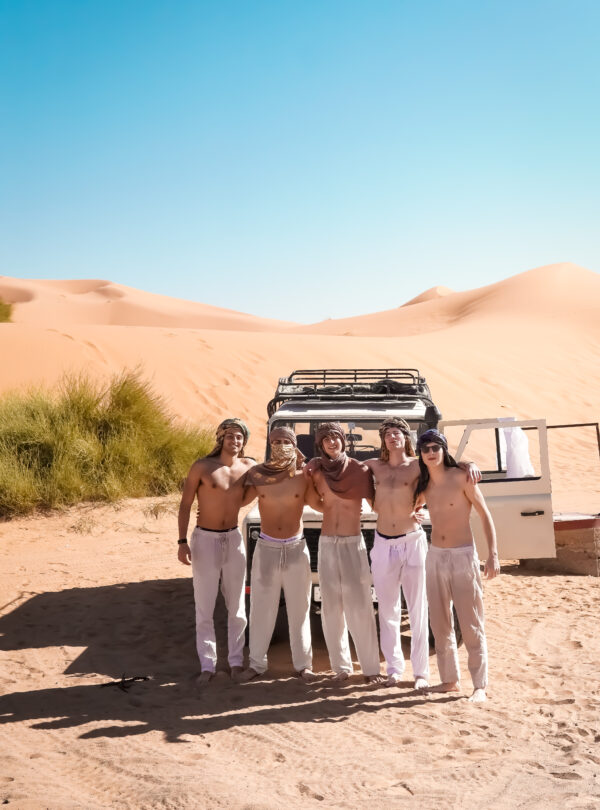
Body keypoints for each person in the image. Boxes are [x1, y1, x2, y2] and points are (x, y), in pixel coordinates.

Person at [365, 419, 480, 690]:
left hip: (412, 540)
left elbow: (446, 465)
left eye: (398, 433)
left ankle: (421, 673)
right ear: (383, 440)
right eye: (388, 434)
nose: (393, 437)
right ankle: (394, 669)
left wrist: (469, 464)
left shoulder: (419, 464)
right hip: (382, 543)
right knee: (387, 609)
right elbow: (341, 465)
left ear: (406, 438)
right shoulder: (373, 465)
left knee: (418, 609)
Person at [414, 429, 500, 703]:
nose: (430, 452)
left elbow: (485, 516)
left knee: (471, 620)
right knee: (440, 623)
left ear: (443, 449)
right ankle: (449, 680)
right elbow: (412, 507)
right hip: (435, 555)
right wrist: (414, 512)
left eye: (435, 447)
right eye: (425, 448)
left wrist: (493, 554)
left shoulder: (463, 476)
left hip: (463, 555)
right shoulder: (424, 483)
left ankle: (480, 686)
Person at [236, 426, 323, 683]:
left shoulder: (302, 477)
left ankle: (303, 665)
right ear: (269, 444)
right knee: (262, 609)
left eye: (287, 441)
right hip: (267, 548)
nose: (281, 445)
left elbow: (319, 504)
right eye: (276, 441)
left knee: (300, 609)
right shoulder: (258, 474)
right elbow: (239, 501)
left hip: (296, 548)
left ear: (295, 445)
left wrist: (320, 477)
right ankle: (256, 664)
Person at [177, 418, 256, 684]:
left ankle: (235, 662)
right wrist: (181, 541)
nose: (235, 441)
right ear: (220, 438)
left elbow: (270, 479)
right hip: (205, 540)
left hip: (233, 539)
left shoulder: (249, 467)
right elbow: (186, 504)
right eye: (231, 436)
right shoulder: (202, 466)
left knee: (237, 607)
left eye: (240, 437)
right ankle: (207, 666)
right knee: (205, 607)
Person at [305, 422, 383, 684]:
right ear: (320, 444)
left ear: (343, 441)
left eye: (335, 438)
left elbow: (377, 504)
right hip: (327, 543)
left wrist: (410, 510)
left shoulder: (359, 470)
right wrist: (328, 507)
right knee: (331, 608)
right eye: (326, 439)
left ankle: (371, 669)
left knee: (360, 605)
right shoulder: (317, 472)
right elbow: (312, 500)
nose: (331, 442)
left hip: (352, 542)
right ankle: (341, 667)